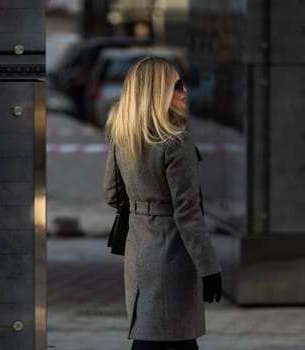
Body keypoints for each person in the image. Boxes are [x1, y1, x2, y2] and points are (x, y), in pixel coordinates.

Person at [103, 57, 222, 350]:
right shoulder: (175, 142)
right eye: (177, 85)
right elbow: (188, 212)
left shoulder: (124, 136)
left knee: (154, 334)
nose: (185, 91)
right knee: (171, 339)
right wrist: (209, 268)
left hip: (139, 250)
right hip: (173, 255)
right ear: (158, 91)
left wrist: (143, 208)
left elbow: (112, 193)